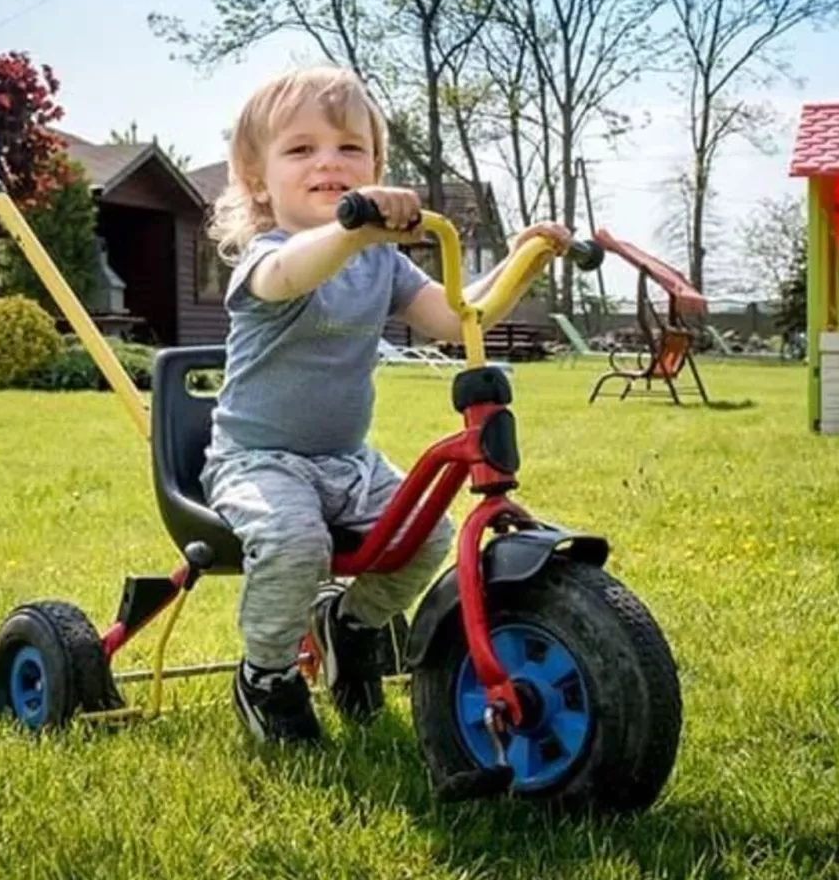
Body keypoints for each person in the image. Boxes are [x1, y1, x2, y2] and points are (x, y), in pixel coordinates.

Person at [200, 64, 571, 743]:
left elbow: (460, 317)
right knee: (295, 542)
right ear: (258, 180)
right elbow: (291, 275)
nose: (329, 163)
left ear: (375, 163)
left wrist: (524, 258)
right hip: (257, 462)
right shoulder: (267, 255)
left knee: (427, 536)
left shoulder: (381, 262)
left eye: (350, 149)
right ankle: (266, 676)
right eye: (301, 149)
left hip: (348, 461)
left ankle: (351, 625)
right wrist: (354, 230)